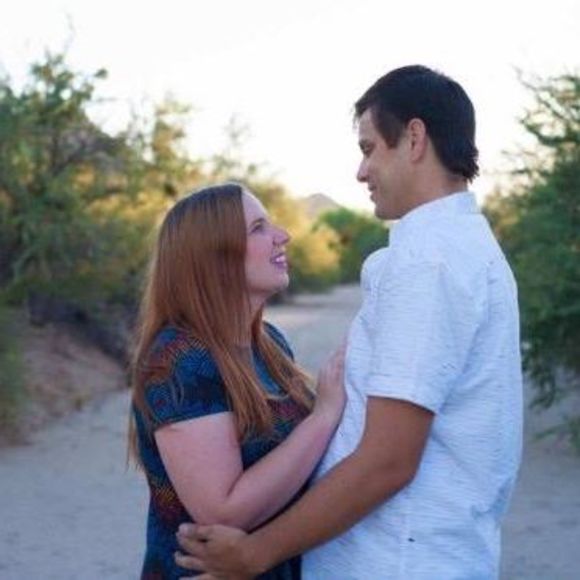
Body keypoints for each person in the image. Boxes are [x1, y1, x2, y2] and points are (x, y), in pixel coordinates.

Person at [175, 65, 523, 579]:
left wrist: (255, 553)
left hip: (397, 562)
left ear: (414, 138)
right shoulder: (463, 247)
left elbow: (389, 460)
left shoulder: (428, 262)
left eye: (368, 148)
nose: (361, 172)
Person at [129, 182, 346, 579]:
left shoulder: (270, 344)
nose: (283, 236)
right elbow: (222, 511)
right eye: (258, 228)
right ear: (214, 256)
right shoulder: (179, 359)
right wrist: (324, 416)